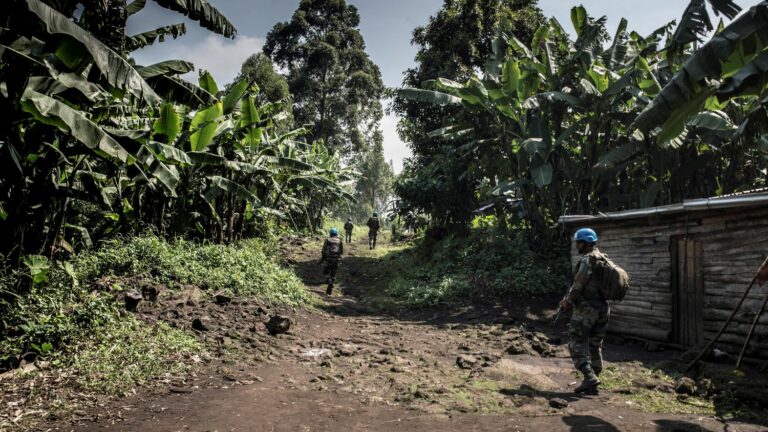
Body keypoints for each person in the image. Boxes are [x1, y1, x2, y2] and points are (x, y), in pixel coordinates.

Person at [558, 228, 609, 395]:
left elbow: (578, 285)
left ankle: (589, 376)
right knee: (595, 345)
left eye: (578, 243)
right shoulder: (605, 259)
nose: (576, 246)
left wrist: (567, 301)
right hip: (603, 309)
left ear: (584, 243)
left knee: (575, 342)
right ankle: (593, 384)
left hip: (587, 309)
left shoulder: (587, 260)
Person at [320, 228, 344, 295]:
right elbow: (341, 252)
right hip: (336, 260)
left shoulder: (328, 240)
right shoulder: (340, 241)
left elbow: (323, 250)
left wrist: (322, 259)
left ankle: (329, 280)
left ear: (330, 233)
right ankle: (331, 283)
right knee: (333, 273)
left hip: (329, 259)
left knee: (326, 271)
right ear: (336, 233)